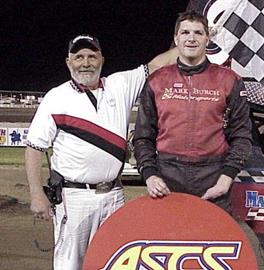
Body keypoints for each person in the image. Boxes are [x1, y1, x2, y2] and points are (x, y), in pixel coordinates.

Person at [25, 34, 176, 270]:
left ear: (102, 60)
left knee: (113, 261)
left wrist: (195, 40)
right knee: (70, 265)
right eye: (79, 57)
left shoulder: (120, 84)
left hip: (114, 195)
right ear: (68, 62)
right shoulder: (55, 97)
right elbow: (34, 147)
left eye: (92, 56)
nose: (86, 62)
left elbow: (157, 64)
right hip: (73, 198)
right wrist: (36, 194)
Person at [133, 11, 252, 213]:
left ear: (208, 38)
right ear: (176, 38)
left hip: (213, 176)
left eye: (198, 32)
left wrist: (226, 179)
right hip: (168, 177)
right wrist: (150, 175)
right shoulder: (157, 80)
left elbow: (242, 136)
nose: (191, 38)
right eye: (185, 32)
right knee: (167, 243)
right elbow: (143, 137)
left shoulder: (229, 80)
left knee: (215, 242)